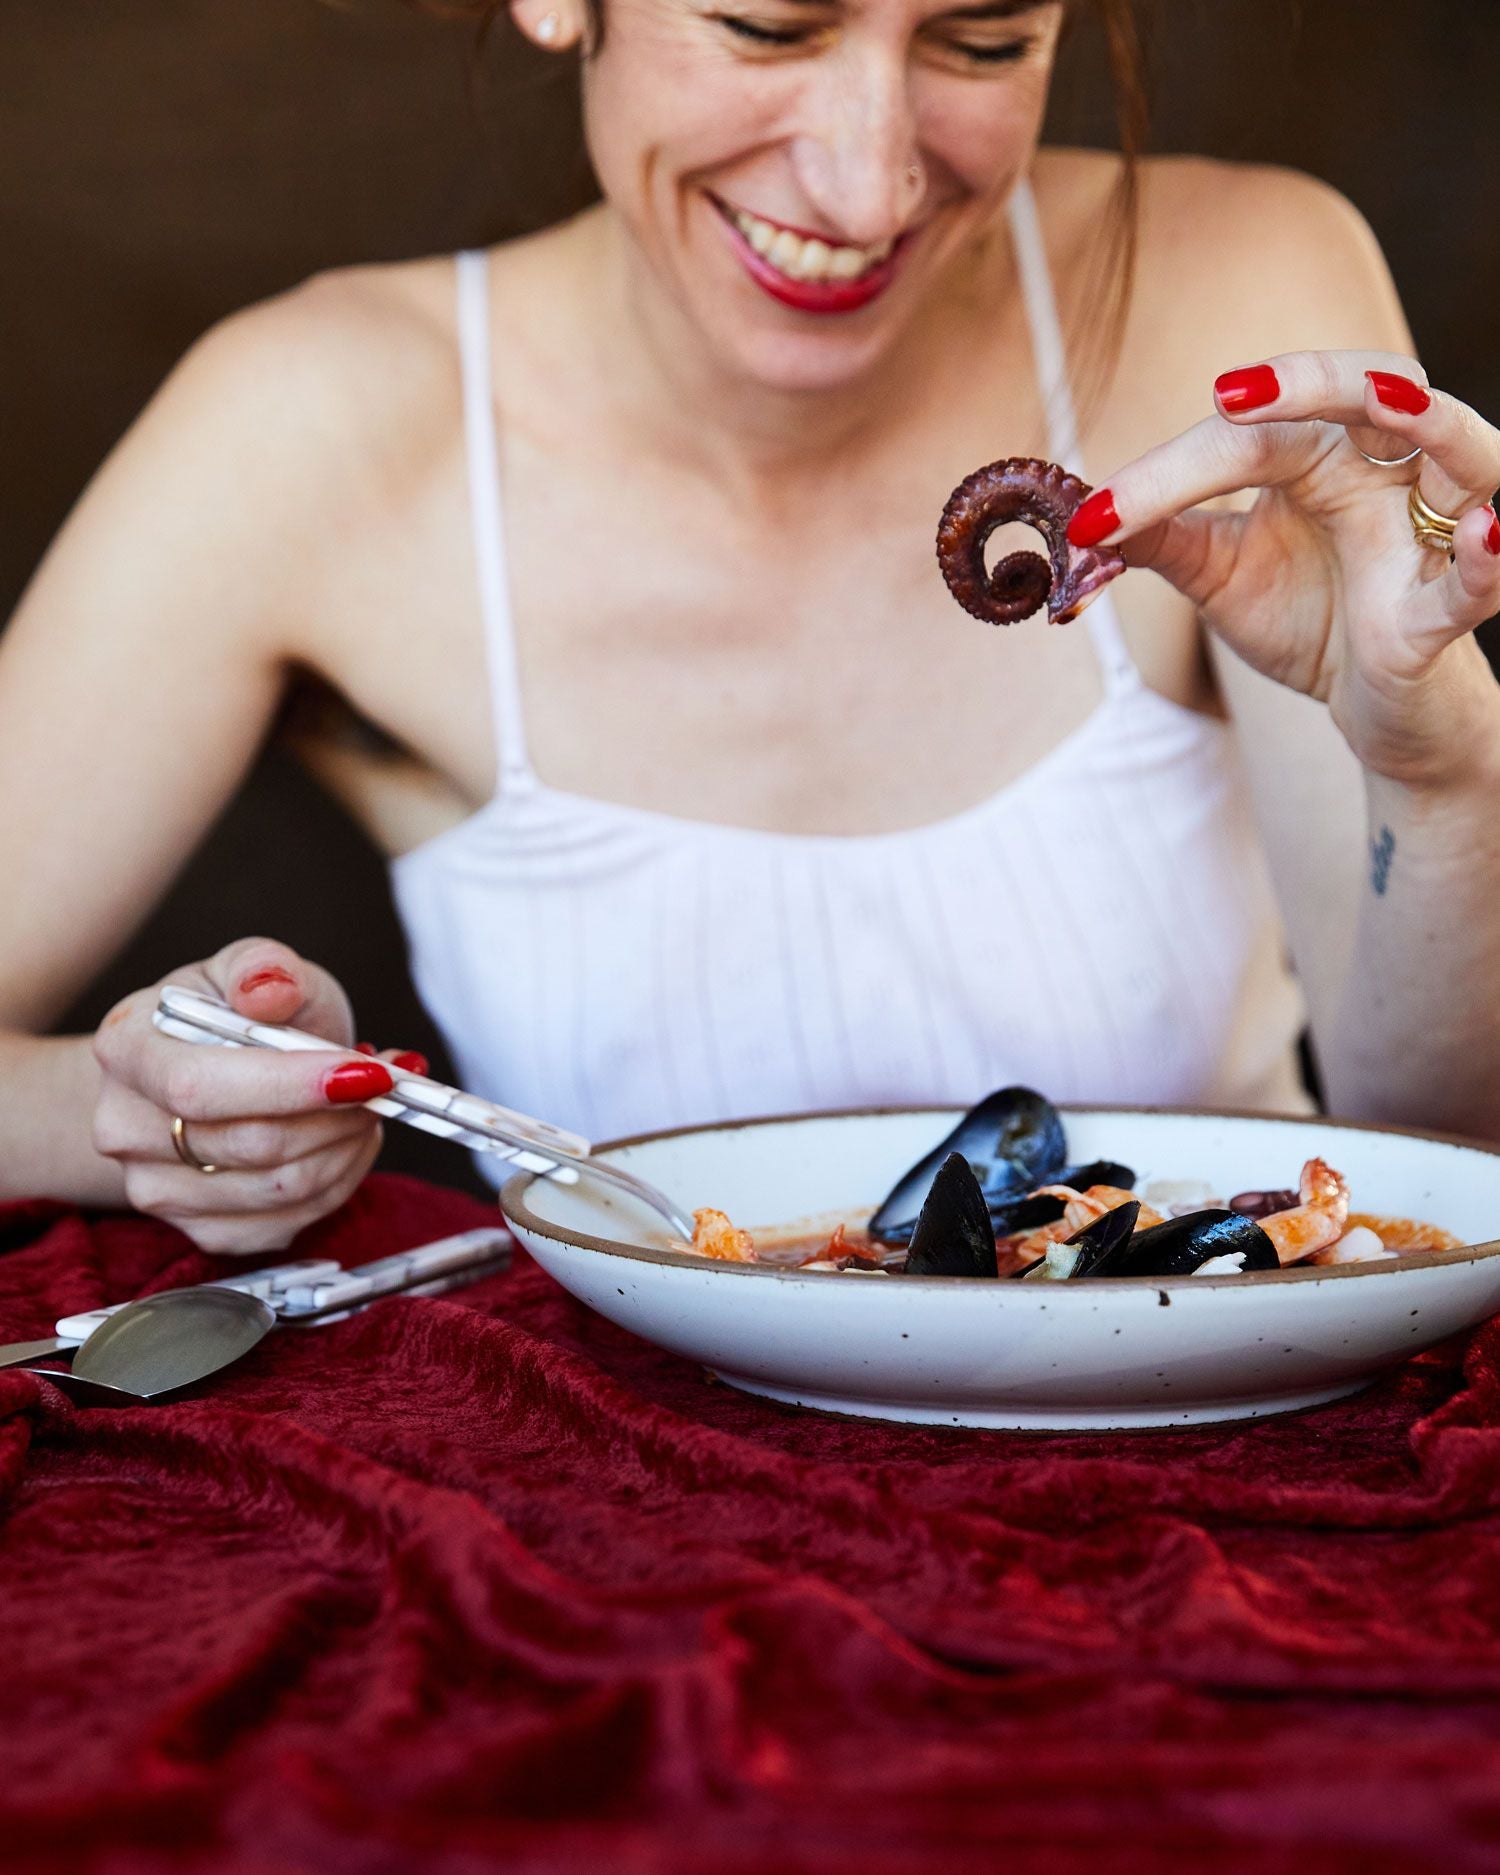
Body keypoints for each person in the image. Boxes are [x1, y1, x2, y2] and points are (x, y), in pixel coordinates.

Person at [1, 0, 1498, 1254]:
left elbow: (1444, 1162)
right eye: (769, 25)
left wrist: (1434, 769)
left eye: (981, 45)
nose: (868, 189)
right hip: (646, 1545)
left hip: (1228, 1476)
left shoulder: (1239, 291)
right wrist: (149, 1113)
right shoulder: (314, 424)